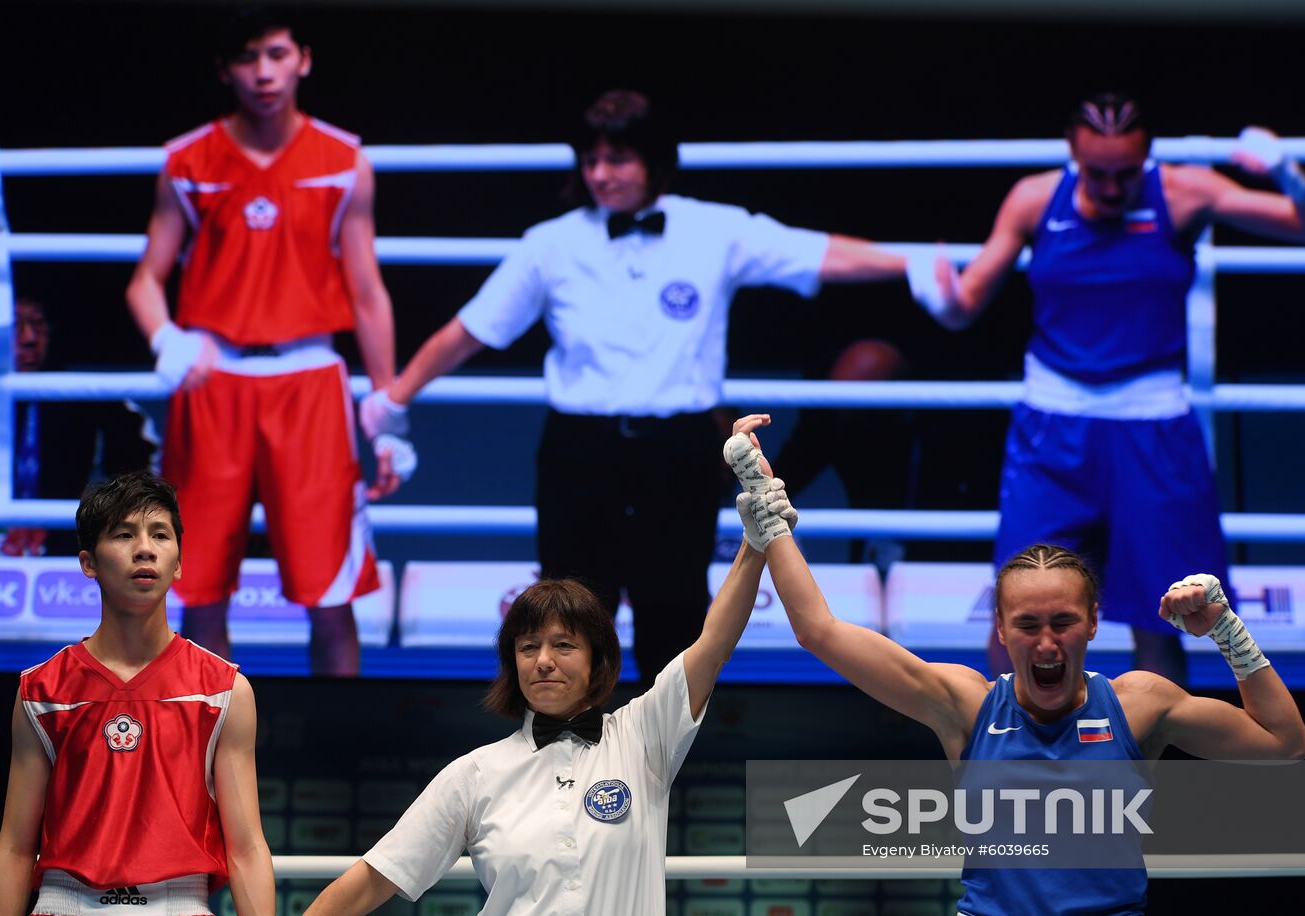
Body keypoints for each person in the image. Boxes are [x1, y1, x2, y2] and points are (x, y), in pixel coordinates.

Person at [358, 89, 916, 684]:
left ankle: (664, 772)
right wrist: (395, 395)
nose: (601, 174)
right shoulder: (553, 242)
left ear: (654, 160)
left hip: (676, 452)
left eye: (618, 159)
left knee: (673, 618)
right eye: (591, 160)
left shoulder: (714, 229)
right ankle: (562, 770)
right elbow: (470, 330)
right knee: (565, 621)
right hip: (579, 450)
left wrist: (922, 263)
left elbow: (820, 254)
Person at [726, 433, 1305, 916]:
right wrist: (769, 513)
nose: (1047, 641)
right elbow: (819, 631)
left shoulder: (1139, 705)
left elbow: (1286, 744)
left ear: (1093, 625)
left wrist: (1226, 630)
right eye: (1029, 624)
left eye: (1063, 621)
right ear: (1001, 631)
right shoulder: (965, 704)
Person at [242, 415, 796, 916]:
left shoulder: (643, 735)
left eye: (564, 646)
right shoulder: (474, 774)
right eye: (528, 647)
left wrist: (755, 536)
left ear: (598, 659)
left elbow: (713, 644)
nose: (544, 662)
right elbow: (378, 874)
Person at [920, 93, 1305, 682]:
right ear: (1073, 154)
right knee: (1022, 607)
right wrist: (937, 297)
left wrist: (1283, 171)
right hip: (1052, 428)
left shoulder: (1185, 191)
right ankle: (1012, 765)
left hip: (1153, 425)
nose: (1113, 189)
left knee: (1162, 616)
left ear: (1147, 157)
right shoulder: (1036, 198)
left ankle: (1146, 773)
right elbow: (965, 307)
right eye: (1097, 174)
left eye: (1126, 174)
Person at [125, 5, 409, 676]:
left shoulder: (343, 161)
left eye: (277, 55)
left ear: (303, 59)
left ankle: (341, 763)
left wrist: (389, 417)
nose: (264, 73)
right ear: (225, 68)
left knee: (331, 594)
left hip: (310, 384)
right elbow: (145, 279)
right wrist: (166, 337)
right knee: (196, 589)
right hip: (211, 383)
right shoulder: (187, 160)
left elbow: (368, 293)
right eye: (249, 58)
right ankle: (199, 754)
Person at [0, 472, 277, 916]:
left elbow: (248, 845)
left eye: (160, 535)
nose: (144, 549)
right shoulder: (41, 691)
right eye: (124, 534)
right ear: (88, 562)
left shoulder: (224, 689)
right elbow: (16, 847)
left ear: (179, 563)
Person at [0, 296, 159, 557]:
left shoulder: (82, 397)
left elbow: (141, 474)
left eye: (38, 324)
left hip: (64, 542)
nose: (29, 338)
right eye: (16, 326)